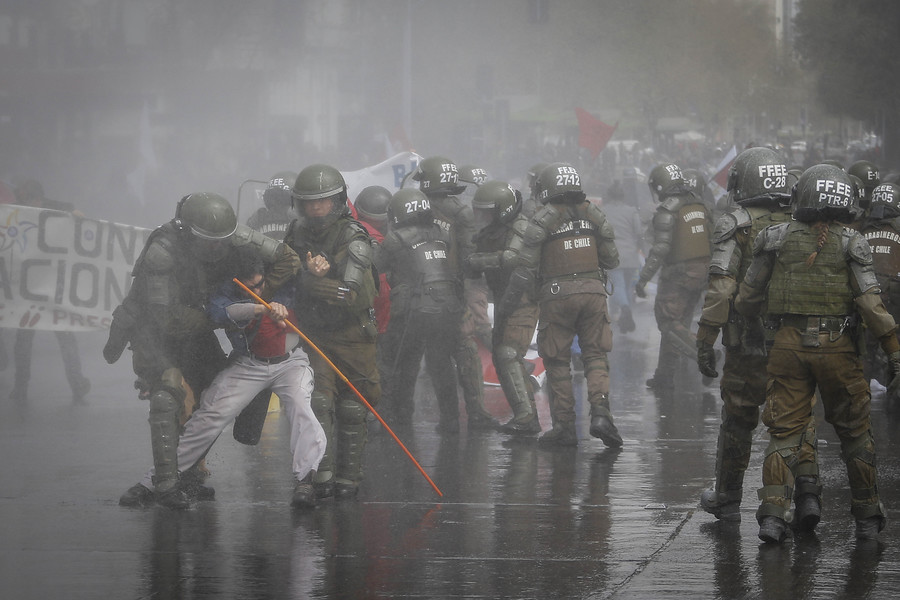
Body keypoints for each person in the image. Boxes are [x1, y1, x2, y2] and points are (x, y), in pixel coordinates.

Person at [734, 163, 900, 543]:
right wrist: (893, 352)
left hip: (787, 348)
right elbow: (872, 306)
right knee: (856, 434)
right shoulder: (851, 243)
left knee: (784, 432)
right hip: (839, 349)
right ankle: (868, 518)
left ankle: (774, 517)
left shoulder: (774, 238)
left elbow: (747, 298)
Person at [111, 192, 300, 508]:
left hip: (197, 326)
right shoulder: (163, 251)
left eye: (221, 241)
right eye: (208, 242)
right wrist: (224, 312)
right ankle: (166, 484)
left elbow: (287, 258)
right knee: (167, 392)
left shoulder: (233, 234)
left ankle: (187, 476)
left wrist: (255, 299)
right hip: (154, 330)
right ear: (188, 232)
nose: (216, 248)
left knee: (214, 395)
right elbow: (167, 320)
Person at [128, 252, 325, 509]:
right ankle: (154, 480)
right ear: (236, 281)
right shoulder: (223, 292)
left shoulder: (283, 280)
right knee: (210, 413)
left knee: (302, 408)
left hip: (291, 363)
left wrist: (313, 272)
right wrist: (260, 307)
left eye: (261, 284)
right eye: (250, 286)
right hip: (249, 364)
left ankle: (305, 481)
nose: (258, 289)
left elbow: (308, 287)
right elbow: (222, 313)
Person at [695, 147, 821, 526]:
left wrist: (705, 337)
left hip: (748, 340)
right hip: (798, 337)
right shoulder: (806, 220)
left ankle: (728, 497)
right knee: (798, 416)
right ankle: (808, 494)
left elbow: (721, 288)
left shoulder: (736, 222)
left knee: (738, 416)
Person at [504, 162, 622, 447]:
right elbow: (612, 259)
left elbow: (525, 269)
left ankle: (565, 427)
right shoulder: (593, 213)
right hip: (594, 294)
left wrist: (509, 303)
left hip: (557, 295)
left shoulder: (542, 218)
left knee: (557, 361)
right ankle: (601, 414)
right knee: (595, 356)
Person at [283, 164, 381, 499]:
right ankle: (316, 476)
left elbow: (349, 295)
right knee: (317, 403)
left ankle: (348, 479)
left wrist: (314, 281)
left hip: (354, 334)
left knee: (354, 407)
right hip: (315, 333)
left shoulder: (353, 237)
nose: (315, 208)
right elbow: (283, 277)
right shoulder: (295, 233)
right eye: (309, 202)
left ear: (337, 200)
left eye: (323, 201)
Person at [411, 156, 498, 431]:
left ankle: (449, 418)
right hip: (453, 292)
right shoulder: (462, 213)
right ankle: (476, 413)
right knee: (465, 351)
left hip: (424, 291)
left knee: (437, 356)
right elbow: (469, 260)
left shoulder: (412, 206)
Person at [374, 188, 469, 431]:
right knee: (441, 364)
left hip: (412, 310)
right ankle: (451, 420)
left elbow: (375, 265)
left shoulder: (396, 239)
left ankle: (398, 416)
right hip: (447, 307)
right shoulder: (441, 234)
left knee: (401, 363)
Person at [467, 180, 542, 434]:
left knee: (507, 354)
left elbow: (512, 258)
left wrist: (475, 260)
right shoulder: (490, 232)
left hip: (523, 299)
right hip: (503, 299)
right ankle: (525, 415)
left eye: (486, 211)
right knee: (502, 358)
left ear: (503, 210)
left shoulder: (520, 226)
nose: (482, 216)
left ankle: (526, 418)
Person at [7, 179, 91, 404]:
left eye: (30, 199)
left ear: (39, 198)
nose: (27, 204)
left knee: (64, 337)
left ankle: (76, 383)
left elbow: (75, 214)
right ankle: (21, 386)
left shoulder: (57, 209)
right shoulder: (17, 212)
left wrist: (75, 214)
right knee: (24, 341)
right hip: (29, 291)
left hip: (54, 289)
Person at [636, 163, 712, 392]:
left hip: (678, 275)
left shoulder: (668, 210)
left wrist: (643, 279)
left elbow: (660, 249)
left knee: (668, 322)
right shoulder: (702, 205)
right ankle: (664, 375)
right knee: (678, 327)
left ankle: (704, 354)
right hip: (702, 274)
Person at [858, 182, 900, 395]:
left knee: (865, 349)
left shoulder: (864, 228)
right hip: (893, 297)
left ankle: (859, 394)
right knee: (894, 347)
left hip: (866, 294)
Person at [599, 179, 644, 333]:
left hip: (612, 255)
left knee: (616, 286)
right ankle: (623, 319)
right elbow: (639, 233)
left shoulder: (603, 212)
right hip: (631, 255)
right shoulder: (632, 211)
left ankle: (623, 311)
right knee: (627, 288)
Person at [246, 171, 297, 241]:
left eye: (284, 201)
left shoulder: (302, 225)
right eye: (274, 199)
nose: (278, 205)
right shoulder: (258, 219)